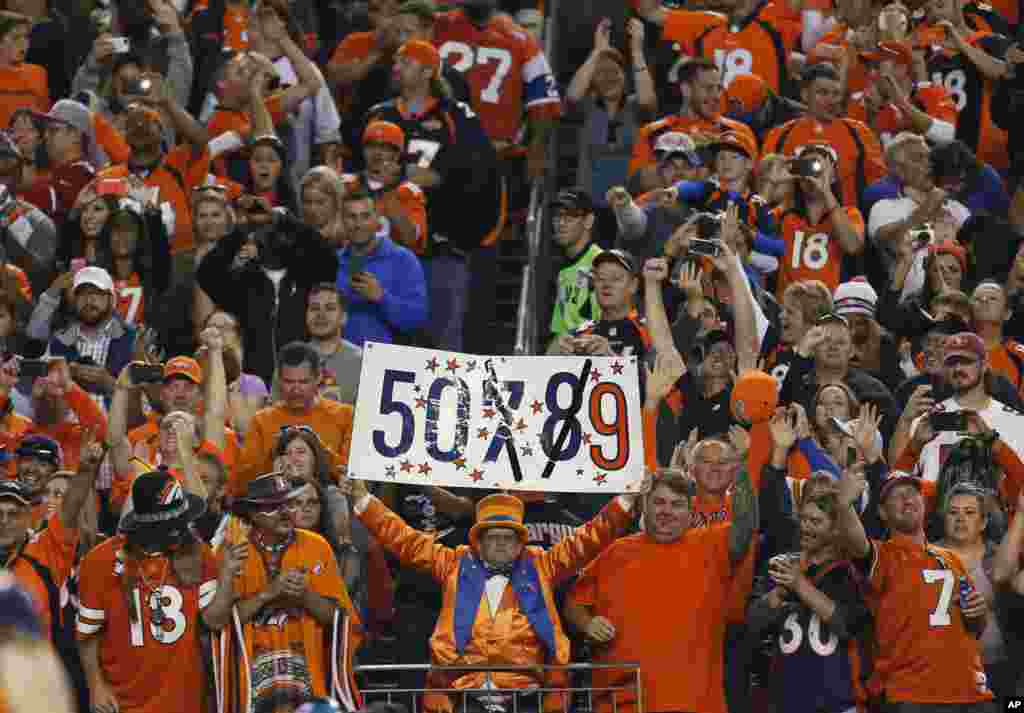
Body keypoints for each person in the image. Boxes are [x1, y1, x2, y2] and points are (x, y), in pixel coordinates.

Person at [342, 472, 642, 713]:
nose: (501, 543)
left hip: (529, 696)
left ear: (520, 542)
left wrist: (627, 499)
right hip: (461, 694)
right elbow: (404, 540)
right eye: (493, 537)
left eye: (509, 537)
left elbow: (588, 539)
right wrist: (362, 499)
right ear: (478, 541)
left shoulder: (542, 564)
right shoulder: (454, 562)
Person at [565, 461, 758, 713]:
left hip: (692, 704)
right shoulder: (616, 552)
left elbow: (745, 527)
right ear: (645, 505)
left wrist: (742, 468)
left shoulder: (713, 545)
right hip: (621, 704)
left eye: (677, 504)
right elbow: (573, 603)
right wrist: (587, 624)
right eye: (659, 502)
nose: (666, 511)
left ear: (691, 512)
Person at [362, 39, 500, 352]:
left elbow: (469, 174)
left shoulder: (457, 116)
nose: (396, 68)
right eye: (395, 61)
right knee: (379, 339)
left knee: (440, 346)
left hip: (440, 247)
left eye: (405, 62)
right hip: (383, 245)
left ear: (427, 71)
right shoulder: (379, 114)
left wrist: (408, 177)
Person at [835, 459, 997, 710]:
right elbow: (856, 542)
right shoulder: (882, 556)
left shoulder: (949, 557)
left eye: (912, 492)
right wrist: (844, 505)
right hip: (913, 695)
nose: (907, 499)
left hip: (971, 693)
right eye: (896, 496)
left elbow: (976, 626)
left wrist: (979, 613)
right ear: (882, 512)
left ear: (924, 503)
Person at [76, 470, 233, 713]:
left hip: (185, 702)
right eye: (169, 526)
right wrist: (96, 685)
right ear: (143, 524)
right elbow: (87, 635)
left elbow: (214, 621)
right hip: (123, 702)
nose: (178, 531)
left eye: (181, 523)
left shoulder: (198, 553)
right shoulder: (100, 561)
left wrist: (228, 574)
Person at [211, 472, 363, 712]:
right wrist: (267, 594)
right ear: (253, 513)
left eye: (288, 504)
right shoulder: (232, 552)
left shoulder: (317, 546)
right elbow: (220, 624)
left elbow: (340, 618)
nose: (285, 512)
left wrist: (306, 596)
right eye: (273, 507)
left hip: (309, 679)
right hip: (250, 684)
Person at [747, 465, 871, 713]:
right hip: (786, 702)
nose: (806, 527)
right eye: (803, 519)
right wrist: (779, 593)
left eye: (815, 521)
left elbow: (846, 625)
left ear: (835, 528)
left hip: (837, 703)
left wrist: (799, 585)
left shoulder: (849, 572)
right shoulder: (781, 565)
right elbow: (752, 624)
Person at [196, 191, 341, 384]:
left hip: (301, 382)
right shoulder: (242, 284)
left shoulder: (308, 279)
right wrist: (245, 227)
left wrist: (279, 218)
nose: (273, 237)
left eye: (278, 231)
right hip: (255, 387)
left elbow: (327, 256)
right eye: (266, 231)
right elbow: (206, 273)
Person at [232, 342, 353, 494]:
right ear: (279, 380)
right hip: (276, 504)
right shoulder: (261, 421)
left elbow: (351, 475)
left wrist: (318, 449)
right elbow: (244, 483)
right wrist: (274, 454)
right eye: (289, 382)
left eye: (303, 382)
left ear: (318, 378)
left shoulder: (345, 416)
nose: (296, 390)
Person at [763, 64, 886, 210]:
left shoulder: (859, 132)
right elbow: (764, 185)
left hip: (848, 224)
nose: (831, 100)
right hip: (792, 226)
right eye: (823, 93)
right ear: (804, 94)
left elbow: (878, 186)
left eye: (835, 94)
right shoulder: (779, 135)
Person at [936, 482, 1015, 697]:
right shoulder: (926, 558)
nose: (960, 518)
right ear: (944, 519)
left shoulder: (1000, 558)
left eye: (969, 512)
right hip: (942, 669)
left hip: (998, 667)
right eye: (953, 512)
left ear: (983, 522)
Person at [565, 18, 656, 201]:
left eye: (614, 71)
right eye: (601, 72)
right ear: (592, 81)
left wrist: (637, 51)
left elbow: (647, 98)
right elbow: (572, 96)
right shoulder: (587, 107)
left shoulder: (635, 107)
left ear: (625, 76)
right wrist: (597, 51)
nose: (609, 77)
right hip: (590, 205)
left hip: (632, 205)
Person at [628, 59, 757, 177]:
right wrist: (682, 157)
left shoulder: (739, 132)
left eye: (718, 88)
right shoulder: (653, 132)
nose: (717, 96)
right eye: (708, 88)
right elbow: (636, 182)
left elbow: (753, 182)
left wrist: (716, 151)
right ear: (686, 89)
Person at [334, 189, 428, 347]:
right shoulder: (333, 262)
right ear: (342, 220)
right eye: (351, 217)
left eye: (365, 216)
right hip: (342, 362)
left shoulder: (403, 260)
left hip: (386, 362)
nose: (358, 224)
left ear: (377, 218)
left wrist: (382, 297)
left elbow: (417, 320)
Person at [28, 266, 136, 402]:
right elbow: (40, 399)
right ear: (74, 301)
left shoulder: (132, 339)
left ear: (110, 298)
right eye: (82, 294)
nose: (89, 300)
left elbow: (147, 404)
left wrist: (111, 385)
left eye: (96, 293)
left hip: (113, 421)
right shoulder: (59, 341)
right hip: (68, 421)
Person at [775, 143, 866, 299]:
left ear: (833, 175)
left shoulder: (850, 214)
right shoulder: (784, 216)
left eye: (818, 168)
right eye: (805, 167)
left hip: (831, 307)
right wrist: (772, 182)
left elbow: (852, 246)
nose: (811, 174)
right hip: (790, 310)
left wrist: (825, 191)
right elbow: (750, 236)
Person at [341, 120, 428, 255]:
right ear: (363, 150)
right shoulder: (344, 184)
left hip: (392, 268)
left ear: (397, 154)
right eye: (371, 146)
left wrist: (388, 191)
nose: (377, 153)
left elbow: (411, 240)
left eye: (385, 147)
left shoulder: (409, 191)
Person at [850, 40, 958, 146]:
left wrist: (904, 105)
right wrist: (871, 117)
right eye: (870, 68)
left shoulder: (930, 92)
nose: (871, 74)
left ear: (901, 69)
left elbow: (951, 136)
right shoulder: (871, 106)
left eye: (877, 67)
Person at [547, 249, 647, 358]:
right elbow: (543, 368)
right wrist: (557, 352)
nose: (606, 284)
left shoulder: (649, 331)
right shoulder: (580, 334)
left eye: (616, 278)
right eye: (600, 278)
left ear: (634, 285)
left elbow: (662, 370)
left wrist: (610, 357)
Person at [548, 188, 603, 343]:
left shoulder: (602, 264)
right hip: (569, 358)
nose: (561, 223)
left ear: (588, 221)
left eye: (570, 216)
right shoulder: (563, 270)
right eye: (557, 216)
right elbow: (560, 334)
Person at [301, 283, 362, 406]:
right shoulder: (290, 359)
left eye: (329, 308)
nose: (320, 315)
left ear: (343, 317)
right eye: (314, 308)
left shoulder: (363, 362)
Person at [0, 11, 48, 128]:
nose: (23, 44)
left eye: (26, 37)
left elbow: (44, 120)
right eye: (15, 38)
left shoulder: (38, 74)